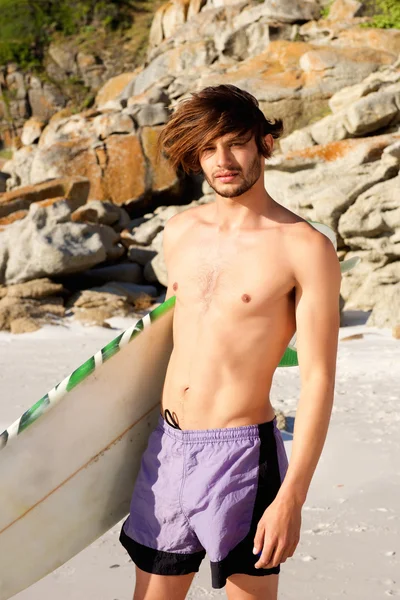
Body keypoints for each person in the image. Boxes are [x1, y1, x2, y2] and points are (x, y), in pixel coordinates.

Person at [119, 84, 341, 600]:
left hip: (242, 456)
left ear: (264, 143)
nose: (223, 160)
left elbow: (318, 378)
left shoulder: (304, 248)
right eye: (208, 148)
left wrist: (292, 498)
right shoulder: (179, 232)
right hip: (167, 447)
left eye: (236, 143)